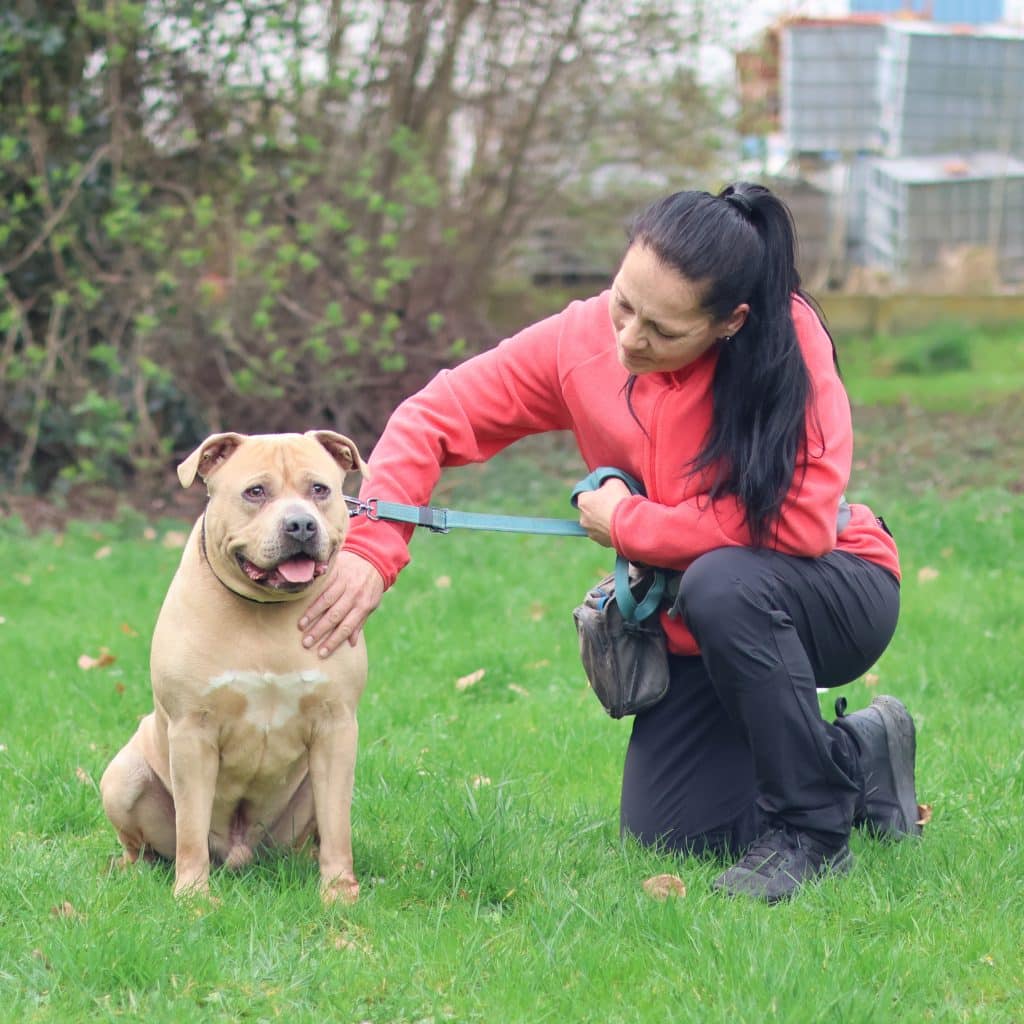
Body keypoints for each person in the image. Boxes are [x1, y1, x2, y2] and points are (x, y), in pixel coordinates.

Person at [297, 182, 920, 903]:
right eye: (624, 304)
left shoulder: (790, 343)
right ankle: (858, 754)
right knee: (674, 832)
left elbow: (800, 523)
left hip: (833, 587)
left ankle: (812, 831)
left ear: (731, 322)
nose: (627, 340)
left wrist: (628, 523)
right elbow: (434, 414)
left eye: (661, 329)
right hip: (705, 624)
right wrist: (373, 548)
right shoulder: (586, 338)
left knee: (723, 583)